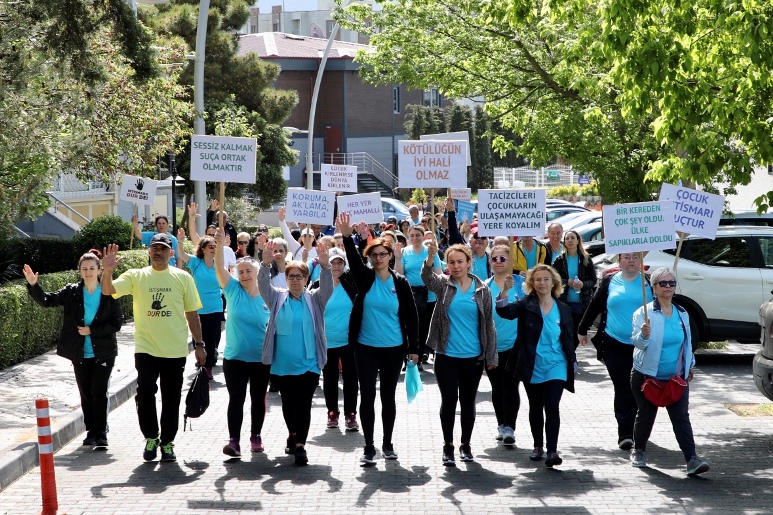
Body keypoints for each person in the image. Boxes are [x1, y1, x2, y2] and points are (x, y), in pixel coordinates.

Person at [101, 236, 206, 462]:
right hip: (146, 348)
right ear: (149, 252)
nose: (158, 252)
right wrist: (107, 270)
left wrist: (199, 344)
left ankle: (167, 443)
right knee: (145, 393)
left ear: (171, 253)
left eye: (164, 249)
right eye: (155, 248)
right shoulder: (137, 276)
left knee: (171, 399)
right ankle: (151, 438)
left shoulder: (183, 277)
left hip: (175, 350)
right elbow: (108, 290)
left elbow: (192, 313)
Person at [337, 212, 419, 465]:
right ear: (370, 259)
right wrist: (348, 237)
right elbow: (352, 256)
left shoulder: (401, 283)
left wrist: (414, 349)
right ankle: (369, 446)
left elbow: (412, 318)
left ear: (391, 255)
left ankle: (387, 444)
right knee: (368, 396)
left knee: (387, 397)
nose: (379, 258)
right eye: (374, 255)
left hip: (394, 349)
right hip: (365, 348)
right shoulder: (365, 278)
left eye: (383, 254)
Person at [23, 250, 123, 449]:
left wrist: (91, 330)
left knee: (99, 391)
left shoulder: (108, 291)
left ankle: (101, 433)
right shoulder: (72, 292)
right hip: (79, 353)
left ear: (99, 270)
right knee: (86, 393)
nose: (88, 272)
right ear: (80, 271)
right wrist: (34, 285)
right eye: (84, 269)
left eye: (92, 268)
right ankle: (91, 431)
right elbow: (47, 301)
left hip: (103, 352)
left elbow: (117, 323)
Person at [422, 242, 497, 466]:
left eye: (460, 262)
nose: (456, 266)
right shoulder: (443, 286)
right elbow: (427, 277)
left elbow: (488, 324)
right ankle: (448, 446)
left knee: (467, 401)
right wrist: (430, 258)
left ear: (468, 263)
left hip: (473, 356)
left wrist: (491, 356)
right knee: (449, 400)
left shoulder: (482, 289)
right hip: (446, 354)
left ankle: (465, 444)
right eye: (451, 262)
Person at [258, 240, 333, 466]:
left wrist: (326, 266)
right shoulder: (277, 297)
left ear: (306, 279)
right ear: (286, 279)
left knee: (304, 404)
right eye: (291, 276)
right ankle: (293, 433)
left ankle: (300, 445)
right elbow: (263, 286)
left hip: (309, 362)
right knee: (289, 405)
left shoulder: (315, 299)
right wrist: (265, 263)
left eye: (300, 276)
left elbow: (328, 288)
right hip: (283, 364)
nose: (295, 280)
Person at [630, 267, 710, 475]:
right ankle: (638, 450)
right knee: (646, 415)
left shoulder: (682, 313)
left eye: (671, 283)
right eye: (662, 283)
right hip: (647, 375)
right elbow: (638, 344)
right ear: (654, 288)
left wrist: (689, 365)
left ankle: (692, 459)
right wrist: (644, 334)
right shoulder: (644, 313)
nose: (667, 287)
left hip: (675, 378)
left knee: (681, 417)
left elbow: (688, 343)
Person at [496, 264, 577, 467]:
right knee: (536, 406)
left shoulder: (563, 309)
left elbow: (569, 338)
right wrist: (505, 289)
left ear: (554, 283)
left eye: (546, 279)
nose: (542, 283)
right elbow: (505, 311)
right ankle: (538, 446)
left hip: (556, 364)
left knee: (551, 406)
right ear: (532, 283)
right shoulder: (526, 304)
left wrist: (572, 361)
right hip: (531, 364)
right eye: (538, 279)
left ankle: (552, 451)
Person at [578, 253, 653, 451]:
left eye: (635, 257)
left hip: (642, 346)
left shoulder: (650, 283)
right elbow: (595, 305)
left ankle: (638, 426)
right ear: (619, 261)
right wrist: (582, 329)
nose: (631, 261)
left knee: (637, 387)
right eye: (626, 257)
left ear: (641, 261)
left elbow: (663, 308)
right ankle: (625, 433)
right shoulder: (610, 281)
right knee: (622, 386)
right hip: (614, 343)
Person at [213, 229, 271, 457]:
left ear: (256, 273)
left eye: (248, 271)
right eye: (241, 272)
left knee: (258, 399)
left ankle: (256, 435)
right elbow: (218, 268)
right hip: (234, 358)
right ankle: (234, 441)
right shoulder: (233, 290)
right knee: (236, 398)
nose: (245, 275)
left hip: (261, 358)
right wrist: (219, 246)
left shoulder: (269, 294)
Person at [311, 247, 360, 431]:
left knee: (350, 377)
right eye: (333, 263)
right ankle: (332, 412)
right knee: (329, 378)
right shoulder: (318, 284)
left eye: (340, 263)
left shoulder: (351, 283)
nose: (336, 266)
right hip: (326, 340)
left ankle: (350, 414)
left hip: (349, 340)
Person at [483, 244, 523, 447]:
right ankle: (501, 423)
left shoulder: (521, 284)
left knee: (511, 386)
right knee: (497, 387)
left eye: (503, 258)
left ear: (511, 261)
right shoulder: (484, 286)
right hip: (492, 346)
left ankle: (510, 427)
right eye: (494, 259)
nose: (498, 262)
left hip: (515, 345)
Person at [177, 229, 223, 380]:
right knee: (199, 338)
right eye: (210, 246)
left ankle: (207, 367)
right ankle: (200, 360)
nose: (213, 248)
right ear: (203, 249)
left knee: (211, 338)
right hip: (197, 307)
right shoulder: (196, 263)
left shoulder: (219, 264)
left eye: (215, 246)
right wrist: (181, 241)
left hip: (215, 306)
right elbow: (182, 255)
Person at [395, 224, 442, 365]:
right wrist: (397, 258)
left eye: (418, 235)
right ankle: (407, 358)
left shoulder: (431, 252)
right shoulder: (404, 252)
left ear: (423, 236)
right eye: (412, 235)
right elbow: (398, 274)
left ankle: (419, 357)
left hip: (429, 296)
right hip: (409, 296)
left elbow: (439, 273)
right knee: (407, 327)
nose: (415, 238)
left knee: (423, 329)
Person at [552, 230, 597, 346]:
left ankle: (571, 355)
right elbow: (553, 279)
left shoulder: (585, 259)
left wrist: (583, 284)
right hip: (565, 302)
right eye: (567, 238)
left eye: (572, 238)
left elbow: (593, 280)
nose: (570, 241)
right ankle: (570, 357)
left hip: (582, 303)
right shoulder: (560, 260)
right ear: (564, 242)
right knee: (566, 332)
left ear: (578, 241)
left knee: (578, 332)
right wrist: (567, 282)